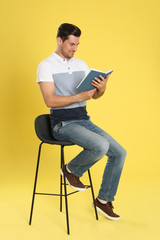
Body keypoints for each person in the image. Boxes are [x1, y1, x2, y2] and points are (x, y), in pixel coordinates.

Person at [37, 23, 127, 221]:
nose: (74, 49)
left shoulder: (81, 64)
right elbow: (49, 101)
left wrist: (101, 88)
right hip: (62, 124)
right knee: (101, 146)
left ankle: (103, 200)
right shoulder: (46, 65)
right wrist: (80, 97)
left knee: (119, 152)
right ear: (59, 41)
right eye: (70, 44)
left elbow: (93, 97)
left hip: (84, 121)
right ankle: (70, 170)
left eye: (77, 44)